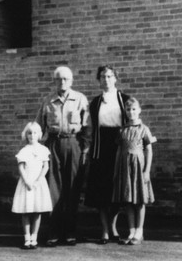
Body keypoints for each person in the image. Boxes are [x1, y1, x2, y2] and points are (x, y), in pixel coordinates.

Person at [35, 66, 91, 246]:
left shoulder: (80, 99)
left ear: (71, 80)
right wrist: (36, 150)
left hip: (73, 143)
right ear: (54, 81)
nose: (62, 82)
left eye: (66, 79)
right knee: (53, 188)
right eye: (59, 79)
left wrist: (85, 150)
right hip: (53, 144)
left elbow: (88, 127)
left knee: (72, 188)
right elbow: (38, 127)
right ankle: (53, 231)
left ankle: (70, 231)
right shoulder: (47, 101)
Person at [85, 65, 130, 244]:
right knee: (101, 190)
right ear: (99, 80)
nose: (106, 79)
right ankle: (104, 230)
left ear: (116, 78)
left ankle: (113, 227)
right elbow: (92, 127)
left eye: (110, 76)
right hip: (100, 146)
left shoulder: (124, 99)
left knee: (116, 189)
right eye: (103, 76)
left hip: (118, 143)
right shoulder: (95, 102)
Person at [112, 97, 156, 245]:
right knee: (128, 200)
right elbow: (118, 151)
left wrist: (146, 171)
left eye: (134, 109)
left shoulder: (144, 129)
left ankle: (139, 230)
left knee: (140, 200)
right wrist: (116, 170)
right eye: (128, 109)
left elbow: (149, 151)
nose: (131, 112)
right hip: (125, 168)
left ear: (139, 111)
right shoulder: (122, 130)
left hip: (138, 167)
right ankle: (131, 231)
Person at [11, 122, 53, 249]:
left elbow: (46, 166)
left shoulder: (43, 150)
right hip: (26, 183)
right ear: (26, 135)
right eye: (29, 133)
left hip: (38, 183)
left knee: (37, 211)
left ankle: (34, 237)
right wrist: (27, 182)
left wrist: (38, 180)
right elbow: (21, 168)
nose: (32, 135)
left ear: (39, 134)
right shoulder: (24, 151)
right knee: (26, 211)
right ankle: (27, 237)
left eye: (35, 133)